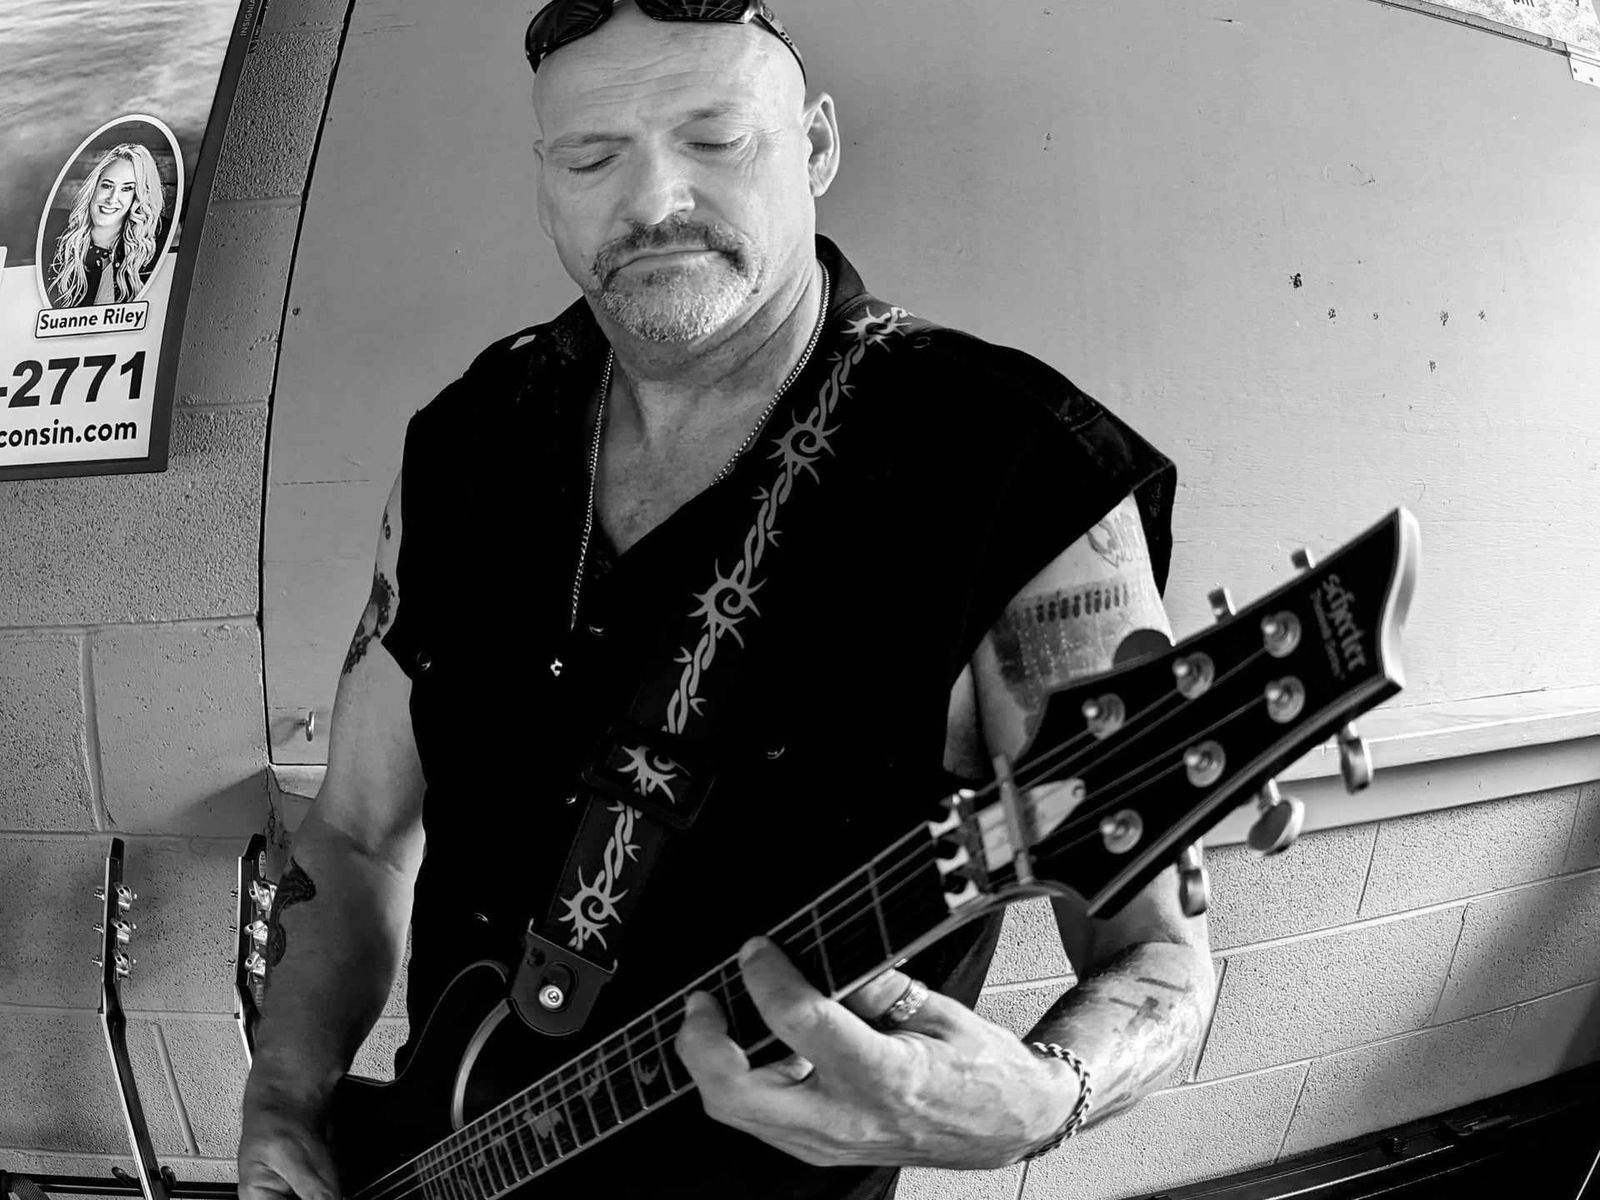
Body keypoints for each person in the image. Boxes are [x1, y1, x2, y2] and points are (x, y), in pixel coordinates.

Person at [238, 3, 1215, 1198]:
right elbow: (352, 833)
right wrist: (284, 1091)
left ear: (816, 147)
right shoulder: (466, 444)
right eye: (591, 157)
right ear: (544, 185)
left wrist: (1045, 1097)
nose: (652, 200)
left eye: (715, 140)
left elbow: (1158, 953)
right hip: (434, 1162)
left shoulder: (1019, 470)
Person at [47, 142, 165, 308]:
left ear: (138, 197)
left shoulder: (152, 253)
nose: (112, 199)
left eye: (127, 189)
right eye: (107, 185)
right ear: (94, 187)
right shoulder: (54, 239)